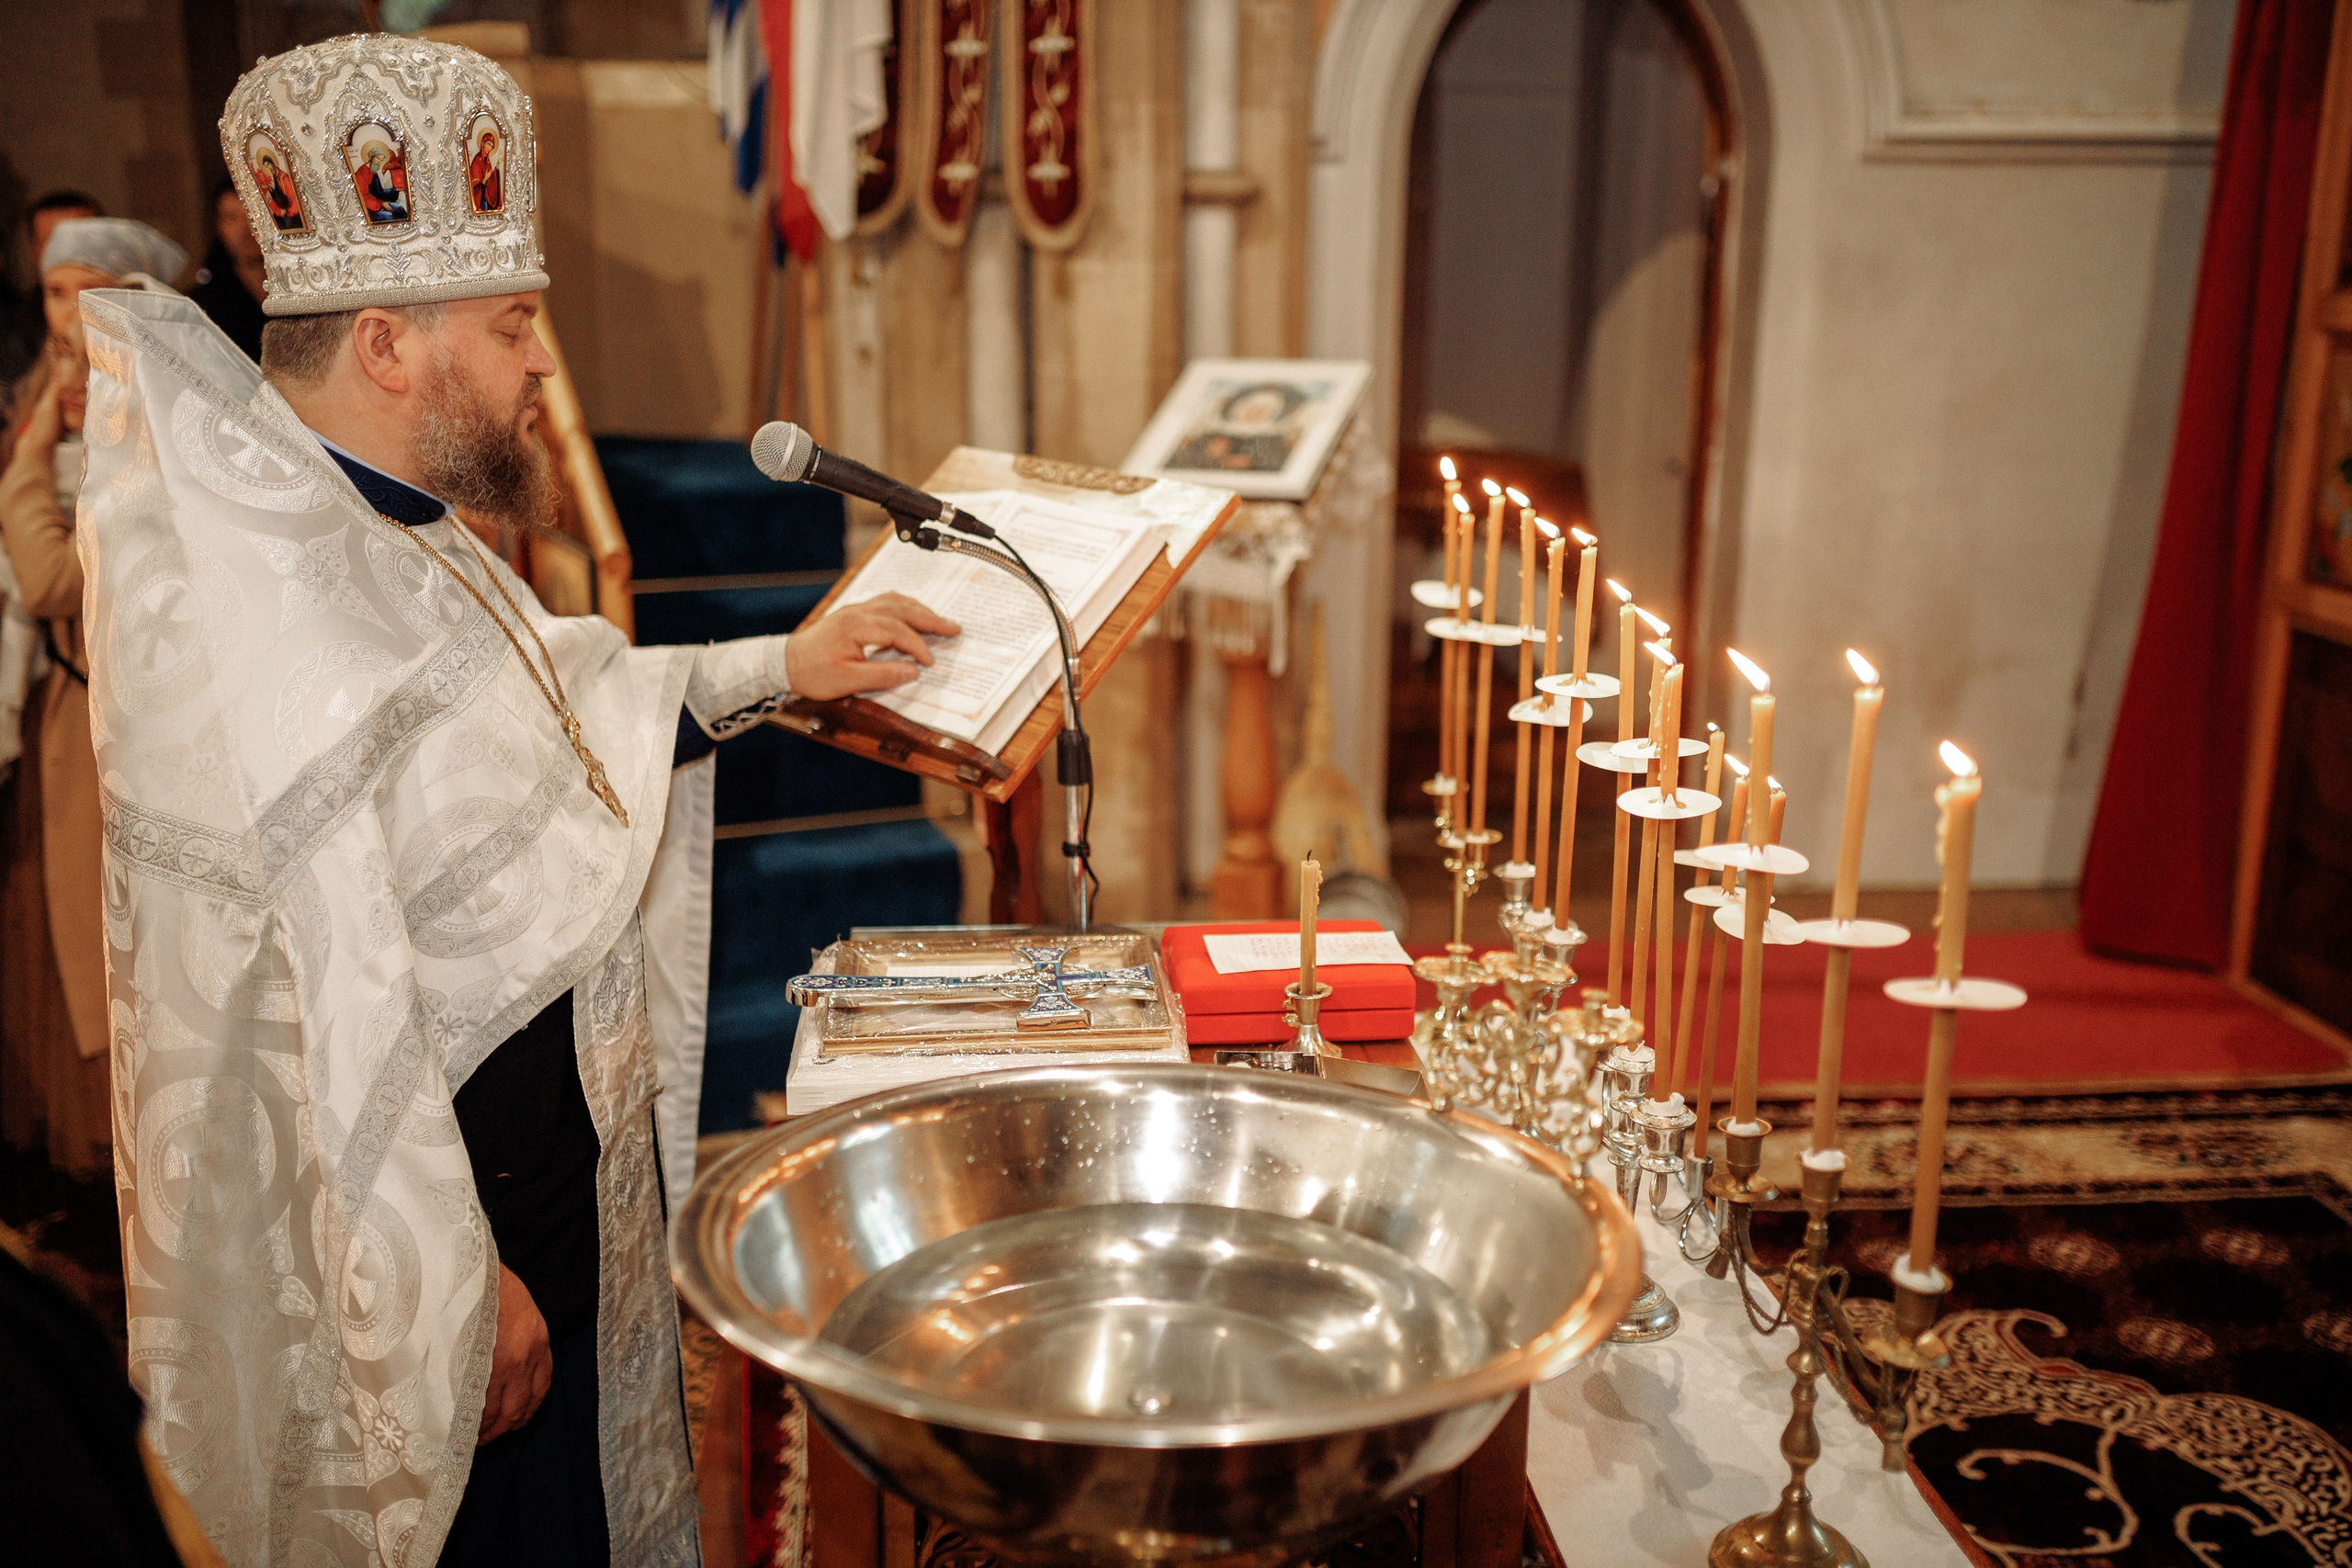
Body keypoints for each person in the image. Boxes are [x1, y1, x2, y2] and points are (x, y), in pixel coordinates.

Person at [86, 36, 956, 1568]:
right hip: (441, 1278)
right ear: (387, 343)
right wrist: (458, 1285)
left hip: (545, 1216)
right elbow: (311, 1004)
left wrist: (796, 660)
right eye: (511, 326)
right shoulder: (240, 601)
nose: (543, 366)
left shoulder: (401, 529)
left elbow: (572, 692)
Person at [187, 178, 266, 361]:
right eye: (232, 218)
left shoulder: (302, 286)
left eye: (253, 215)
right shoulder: (204, 303)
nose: (245, 229)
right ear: (219, 226)